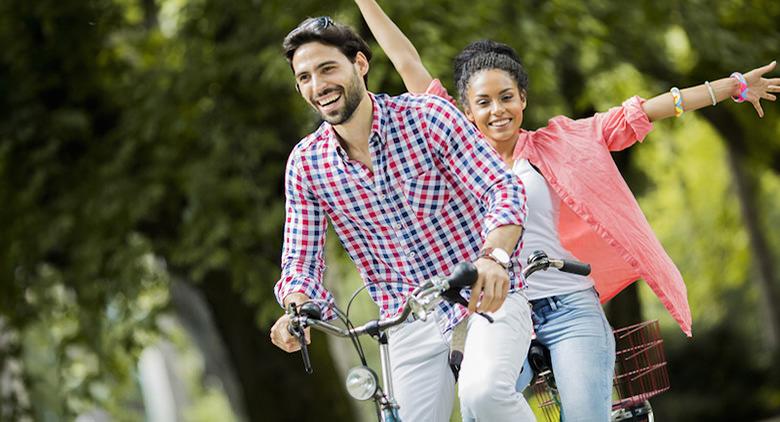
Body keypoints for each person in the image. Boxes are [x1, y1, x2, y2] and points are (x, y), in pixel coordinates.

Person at [353, 0, 780, 420]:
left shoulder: (561, 141)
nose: (497, 110)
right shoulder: (454, 149)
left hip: (569, 305)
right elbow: (406, 61)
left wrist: (730, 87)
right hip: (498, 311)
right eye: (483, 102)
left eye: (507, 97)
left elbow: (642, 111)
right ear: (464, 111)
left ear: (523, 99)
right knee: (480, 401)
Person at [268, 16, 540, 421]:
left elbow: (501, 188)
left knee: (482, 394)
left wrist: (494, 258)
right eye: (305, 77)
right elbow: (300, 261)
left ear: (360, 64)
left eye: (327, 68)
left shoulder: (426, 117)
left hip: (483, 296)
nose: (318, 85)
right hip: (404, 320)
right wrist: (297, 308)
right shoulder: (307, 165)